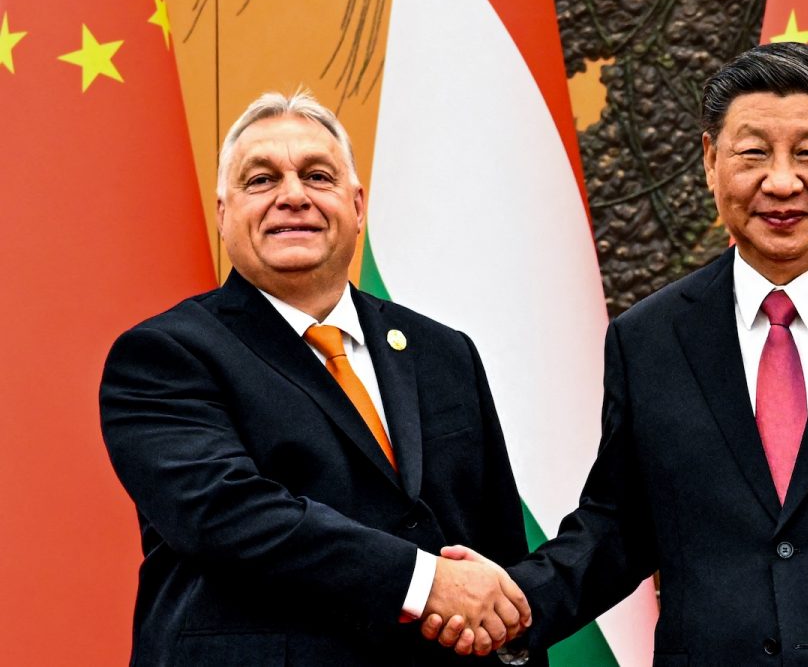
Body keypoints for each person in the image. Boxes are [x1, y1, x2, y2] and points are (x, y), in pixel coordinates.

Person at [428, 43, 808, 665]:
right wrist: (516, 603)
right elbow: (618, 526)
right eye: (753, 153)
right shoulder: (649, 338)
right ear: (710, 161)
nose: (781, 182)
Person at [99, 91, 536, 666]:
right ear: (223, 214)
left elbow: (498, 550)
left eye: (317, 176)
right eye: (261, 180)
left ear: (357, 206)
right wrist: (423, 581)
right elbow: (226, 514)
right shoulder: (164, 354)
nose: (293, 196)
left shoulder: (445, 352)